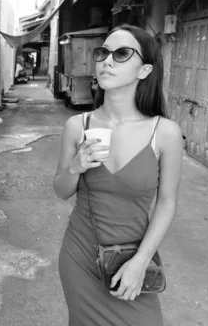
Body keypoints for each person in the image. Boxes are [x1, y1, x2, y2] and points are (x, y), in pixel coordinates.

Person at [53, 24, 183, 325]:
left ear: (144, 70)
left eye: (122, 53)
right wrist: (76, 167)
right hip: (80, 256)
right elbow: (61, 190)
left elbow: (167, 204)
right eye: (103, 52)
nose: (107, 61)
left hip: (133, 258)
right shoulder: (77, 125)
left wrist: (142, 261)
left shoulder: (165, 133)